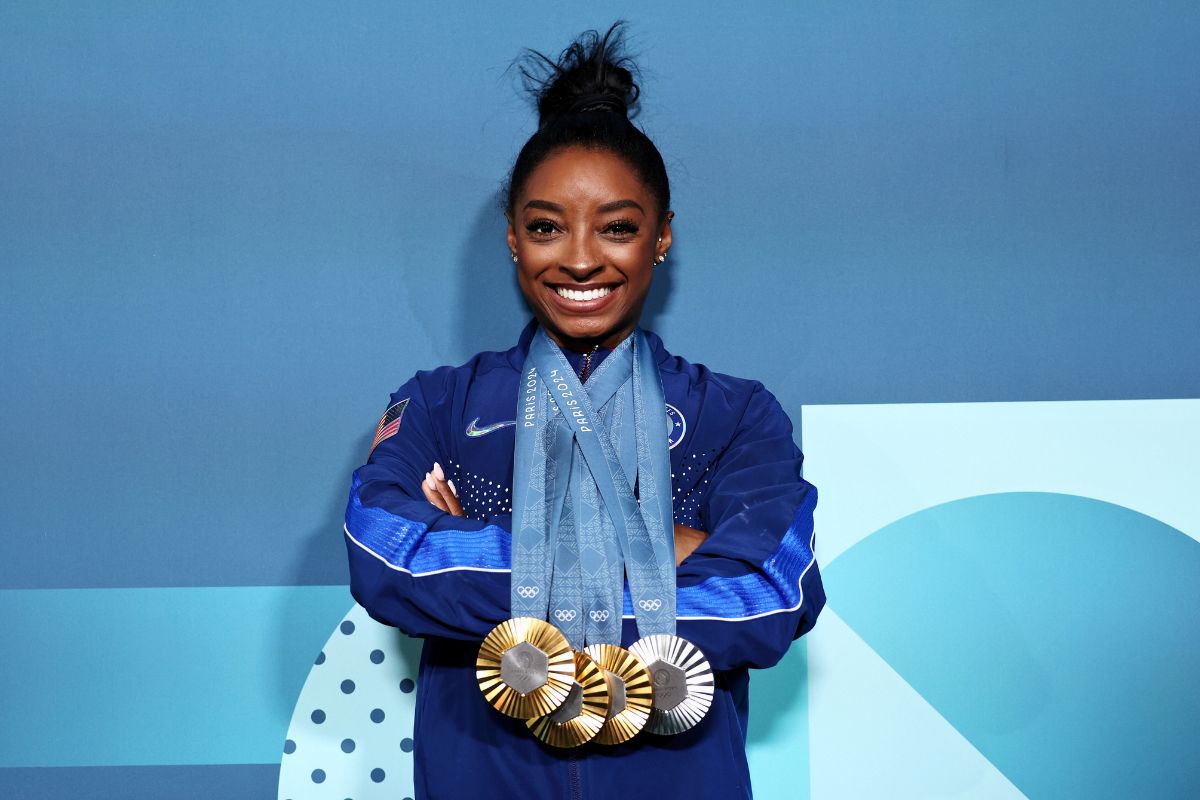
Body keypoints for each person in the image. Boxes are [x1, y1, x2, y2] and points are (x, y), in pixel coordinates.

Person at [344, 23, 824, 800]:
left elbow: (773, 594)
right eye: (545, 227)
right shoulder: (438, 402)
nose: (578, 258)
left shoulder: (734, 415)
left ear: (660, 238)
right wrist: (670, 547)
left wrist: (481, 544)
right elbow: (385, 554)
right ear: (512, 239)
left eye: (617, 227)